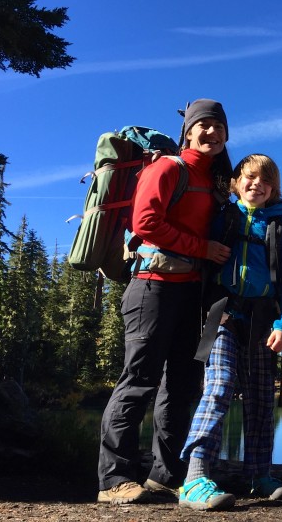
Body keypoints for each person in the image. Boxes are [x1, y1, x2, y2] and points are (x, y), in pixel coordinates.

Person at [97, 99, 233, 505]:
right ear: (188, 131)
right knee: (139, 379)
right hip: (152, 287)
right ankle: (114, 479)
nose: (211, 132)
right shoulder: (168, 168)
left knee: (181, 384)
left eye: (219, 127)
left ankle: (165, 474)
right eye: (203, 125)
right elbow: (146, 222)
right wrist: (203, 248)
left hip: (191, 293)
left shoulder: (214, 182)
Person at [178, 154, 282, 511]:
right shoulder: (222, 219)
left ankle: (259, 475)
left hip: (265, 322)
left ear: (273, 189)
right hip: (223, 315)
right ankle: (195, 477)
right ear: (236, 183)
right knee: (219, 385)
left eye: (265, 180)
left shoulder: (281, 230)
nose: (256, 184)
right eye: (249, 177)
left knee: (262, 397)